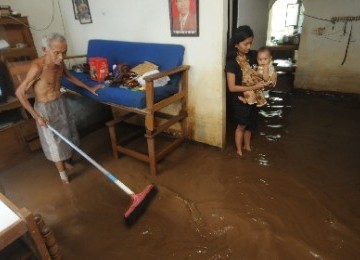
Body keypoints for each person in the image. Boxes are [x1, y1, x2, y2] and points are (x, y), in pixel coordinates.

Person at [15, 33, 102, 184]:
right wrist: (36, 116)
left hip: (60, 102)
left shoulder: (60, 62)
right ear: (45, 50)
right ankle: (63, 176)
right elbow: (19, 92)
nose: (61, 57)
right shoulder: (37, 67)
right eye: (57, 52)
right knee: (54, 142)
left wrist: (90, 88)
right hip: (45, 108)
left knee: (68, 133)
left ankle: (68, 162)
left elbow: (70, 77)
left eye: (64, 52)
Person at [225, 25, 272, 156]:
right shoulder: (231, 63)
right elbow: (232, 87)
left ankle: (247, 146)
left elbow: (266, 62)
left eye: (250, 43)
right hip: (240, 99)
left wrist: (270, 77)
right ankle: (239, 150)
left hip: (254, 98)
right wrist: (254, 87)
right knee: (241, 125)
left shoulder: (253, 56)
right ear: (236, 44)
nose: (249, 47)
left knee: (251, 124)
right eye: (245, 44)